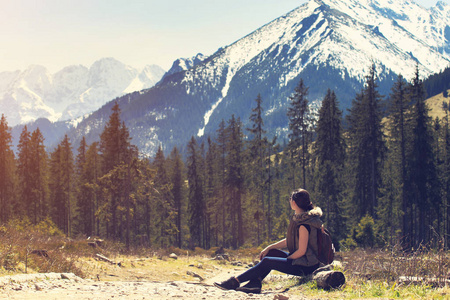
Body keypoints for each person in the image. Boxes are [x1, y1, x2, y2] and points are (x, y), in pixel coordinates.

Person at [214, 188, 323, 294]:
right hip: (302, 260)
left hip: (306, 266)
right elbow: (290, 240)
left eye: (290, 199)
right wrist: (270, 247)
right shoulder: (302, 219)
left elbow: (302, 251)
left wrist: (287, 260)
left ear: (294, 203)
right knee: (271, 253)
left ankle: (234, 282)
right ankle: (255, 284)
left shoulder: (304, 224)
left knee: (268, 261)